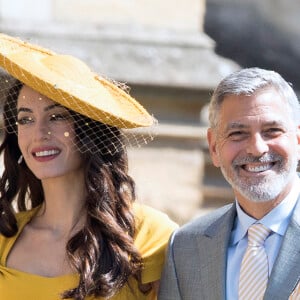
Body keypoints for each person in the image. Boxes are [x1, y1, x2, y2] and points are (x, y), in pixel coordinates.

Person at [0, 33, 177, 300]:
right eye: (25, 119)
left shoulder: (152, 235)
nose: (39, 133)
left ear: (90, 132)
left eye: (56, 116)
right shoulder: (4, 237)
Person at [158, 67, 300, 300]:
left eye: (272, 131)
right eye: (237, 134)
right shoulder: (185, 247)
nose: (257, 148)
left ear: (297, 140)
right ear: (214, 147)